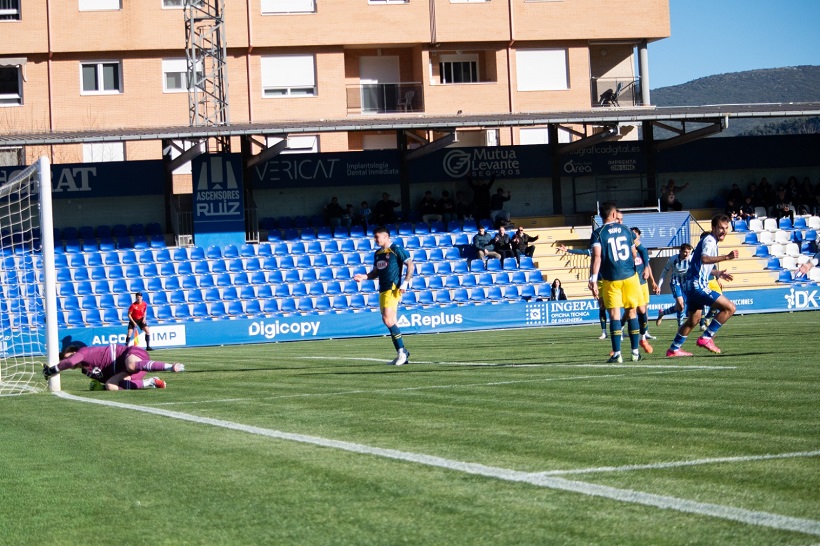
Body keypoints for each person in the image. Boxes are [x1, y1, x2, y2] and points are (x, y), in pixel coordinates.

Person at [666, 214, 738, 357]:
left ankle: (674, 349)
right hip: (697, 285)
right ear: (713, 228)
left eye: (726, 228)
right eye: (720, 228)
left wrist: (717, 273)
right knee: (730, 308)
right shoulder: (710, 240)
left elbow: (700, 265)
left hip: (691, 285)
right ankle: (706, 337)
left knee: (694, 319)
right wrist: (727, 257)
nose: (724, 231)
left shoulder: (710, 240)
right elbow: (704, 259)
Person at [588, 202, 646, 363]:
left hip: (611, 279)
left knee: (614, 315)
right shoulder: (627, 230)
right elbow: (635, 254)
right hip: (630, 277)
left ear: (602, 215)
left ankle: (617, 355)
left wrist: (593, 279)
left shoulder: (598, 233)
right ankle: (635, 353)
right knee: (631, 312)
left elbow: (597, 256)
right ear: (614, 215)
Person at [353, 226, 414, 366]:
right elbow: (375, 273)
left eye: (377, 237)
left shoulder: (396, 249)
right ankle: (402, 351)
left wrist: (405, 283)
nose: (375, 240)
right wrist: (364, 276)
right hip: (382, 289)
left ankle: (401, 352)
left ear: (385, 236)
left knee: (387, 320)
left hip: (392, 288)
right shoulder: (377, 253)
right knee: (391, 321)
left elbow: (410, 265)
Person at [42, 344, 185, 391]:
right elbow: (107, 380)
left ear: (74, 352)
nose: (68, 361)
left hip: (131, 355)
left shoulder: (83, 352)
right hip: (128, 371)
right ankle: (151, 382)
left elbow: (69, 362)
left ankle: (169, 367)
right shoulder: (86, 371)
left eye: (68, 357)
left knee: (130, 364)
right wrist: (100, 387)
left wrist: (52, 370)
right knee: (111, 386)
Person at [558, 244, 608, 339]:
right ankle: (604, 331)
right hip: (600, 281)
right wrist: (568, 250)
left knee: (614, 306)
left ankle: (620, 330)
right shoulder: (596, 250)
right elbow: (582, 252)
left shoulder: (609, 249)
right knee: (602, 306)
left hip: (610, 279)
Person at [631, 227, 657, 354]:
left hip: (642, 283)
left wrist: (653, 281)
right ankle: (620, 334)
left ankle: (644, 333)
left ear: (639, 236)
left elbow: (648, 266)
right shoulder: (628, 249)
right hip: (632, 283)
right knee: (630, 311)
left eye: (636, 234)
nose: (634, 236)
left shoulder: (642, 251)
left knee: (643, 309)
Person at [655, 243, 694, 327]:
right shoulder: (673, 259)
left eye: (688, 252)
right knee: (681, 304)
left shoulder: (691, 259)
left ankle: (662, 313)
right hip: (675, 282)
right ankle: (680, 327)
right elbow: (664, 272)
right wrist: (659, 285)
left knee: (679, 307)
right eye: (685, 252)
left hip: (686, 283)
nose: (687, 254)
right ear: (680, 251)